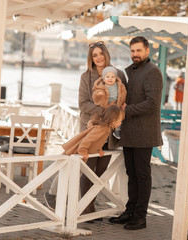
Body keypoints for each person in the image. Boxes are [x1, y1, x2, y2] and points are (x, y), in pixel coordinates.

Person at [44, 41, 126, 216]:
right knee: (86, 168)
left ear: (106, 54)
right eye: (94, 55)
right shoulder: (85, 77)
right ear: (91, 58)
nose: (98, 57)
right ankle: (83, 208)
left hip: (110, 132)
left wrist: (118, 113)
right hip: (92, 129)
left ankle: (89, 206)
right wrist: (106, 111)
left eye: (100, 53)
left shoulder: (117, 74)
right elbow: (83, 104)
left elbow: (124, 97)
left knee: (102, 172)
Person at [109, 36, 163, 230]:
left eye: (139, 51)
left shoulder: (153, 72)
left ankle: (140, 216)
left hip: (145, 132)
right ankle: (130, 211)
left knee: (142, 174)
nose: (135, 54)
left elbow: (152, 103)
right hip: (130, 132)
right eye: (132, 51)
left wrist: (125, 111)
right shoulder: (130, 71)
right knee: (131, 173)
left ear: (147, 51)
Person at [92, 66, 127, 139]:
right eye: (107, 77)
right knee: (105, 121)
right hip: (106, 107)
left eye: (112, 77)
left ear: (115, 78)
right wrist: (99, 95)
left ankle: (118, 130)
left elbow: (124, 93)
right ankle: (103, 136)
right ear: (104, 79)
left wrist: (124, 102)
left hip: (117, 106)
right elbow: (95, 96)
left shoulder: (119, 86)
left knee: (119, 118)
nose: (110, 78)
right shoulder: (101, 87)